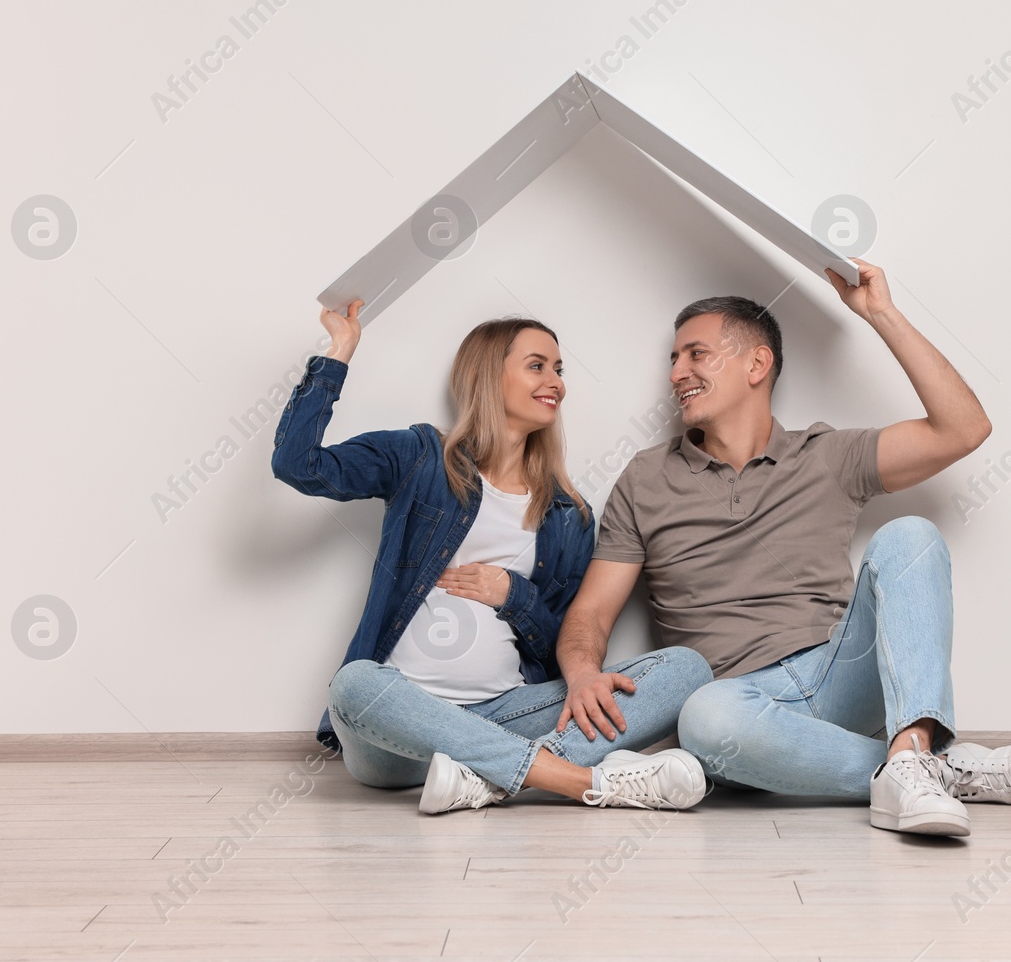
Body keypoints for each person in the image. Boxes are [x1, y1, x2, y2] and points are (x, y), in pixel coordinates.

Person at [554, 261, 1011, 836]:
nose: (677, 373)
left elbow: (964, 429)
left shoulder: (826, 454)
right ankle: (925, 771)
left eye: (695, 354)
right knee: (702, 714)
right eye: (672, 360)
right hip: (739, 706)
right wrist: (580, 673)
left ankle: (914, 750)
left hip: (840, 673)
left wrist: (882, 314)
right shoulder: (645, 478)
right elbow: (592, 612)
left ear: (757, 363)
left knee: (912, 537)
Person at [271, 300, 713, 815]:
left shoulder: (567, 513)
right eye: (537, 366)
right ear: (487, 376)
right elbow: (299, 465)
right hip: (393, 733)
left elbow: (557, 650)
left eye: (559, 369)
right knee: (354, 683)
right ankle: (578, 780)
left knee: (686, 669)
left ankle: (483, 777)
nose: (557, 382)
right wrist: (339, 352)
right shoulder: (419, 457)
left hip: (502, 715)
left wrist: (513, 595)